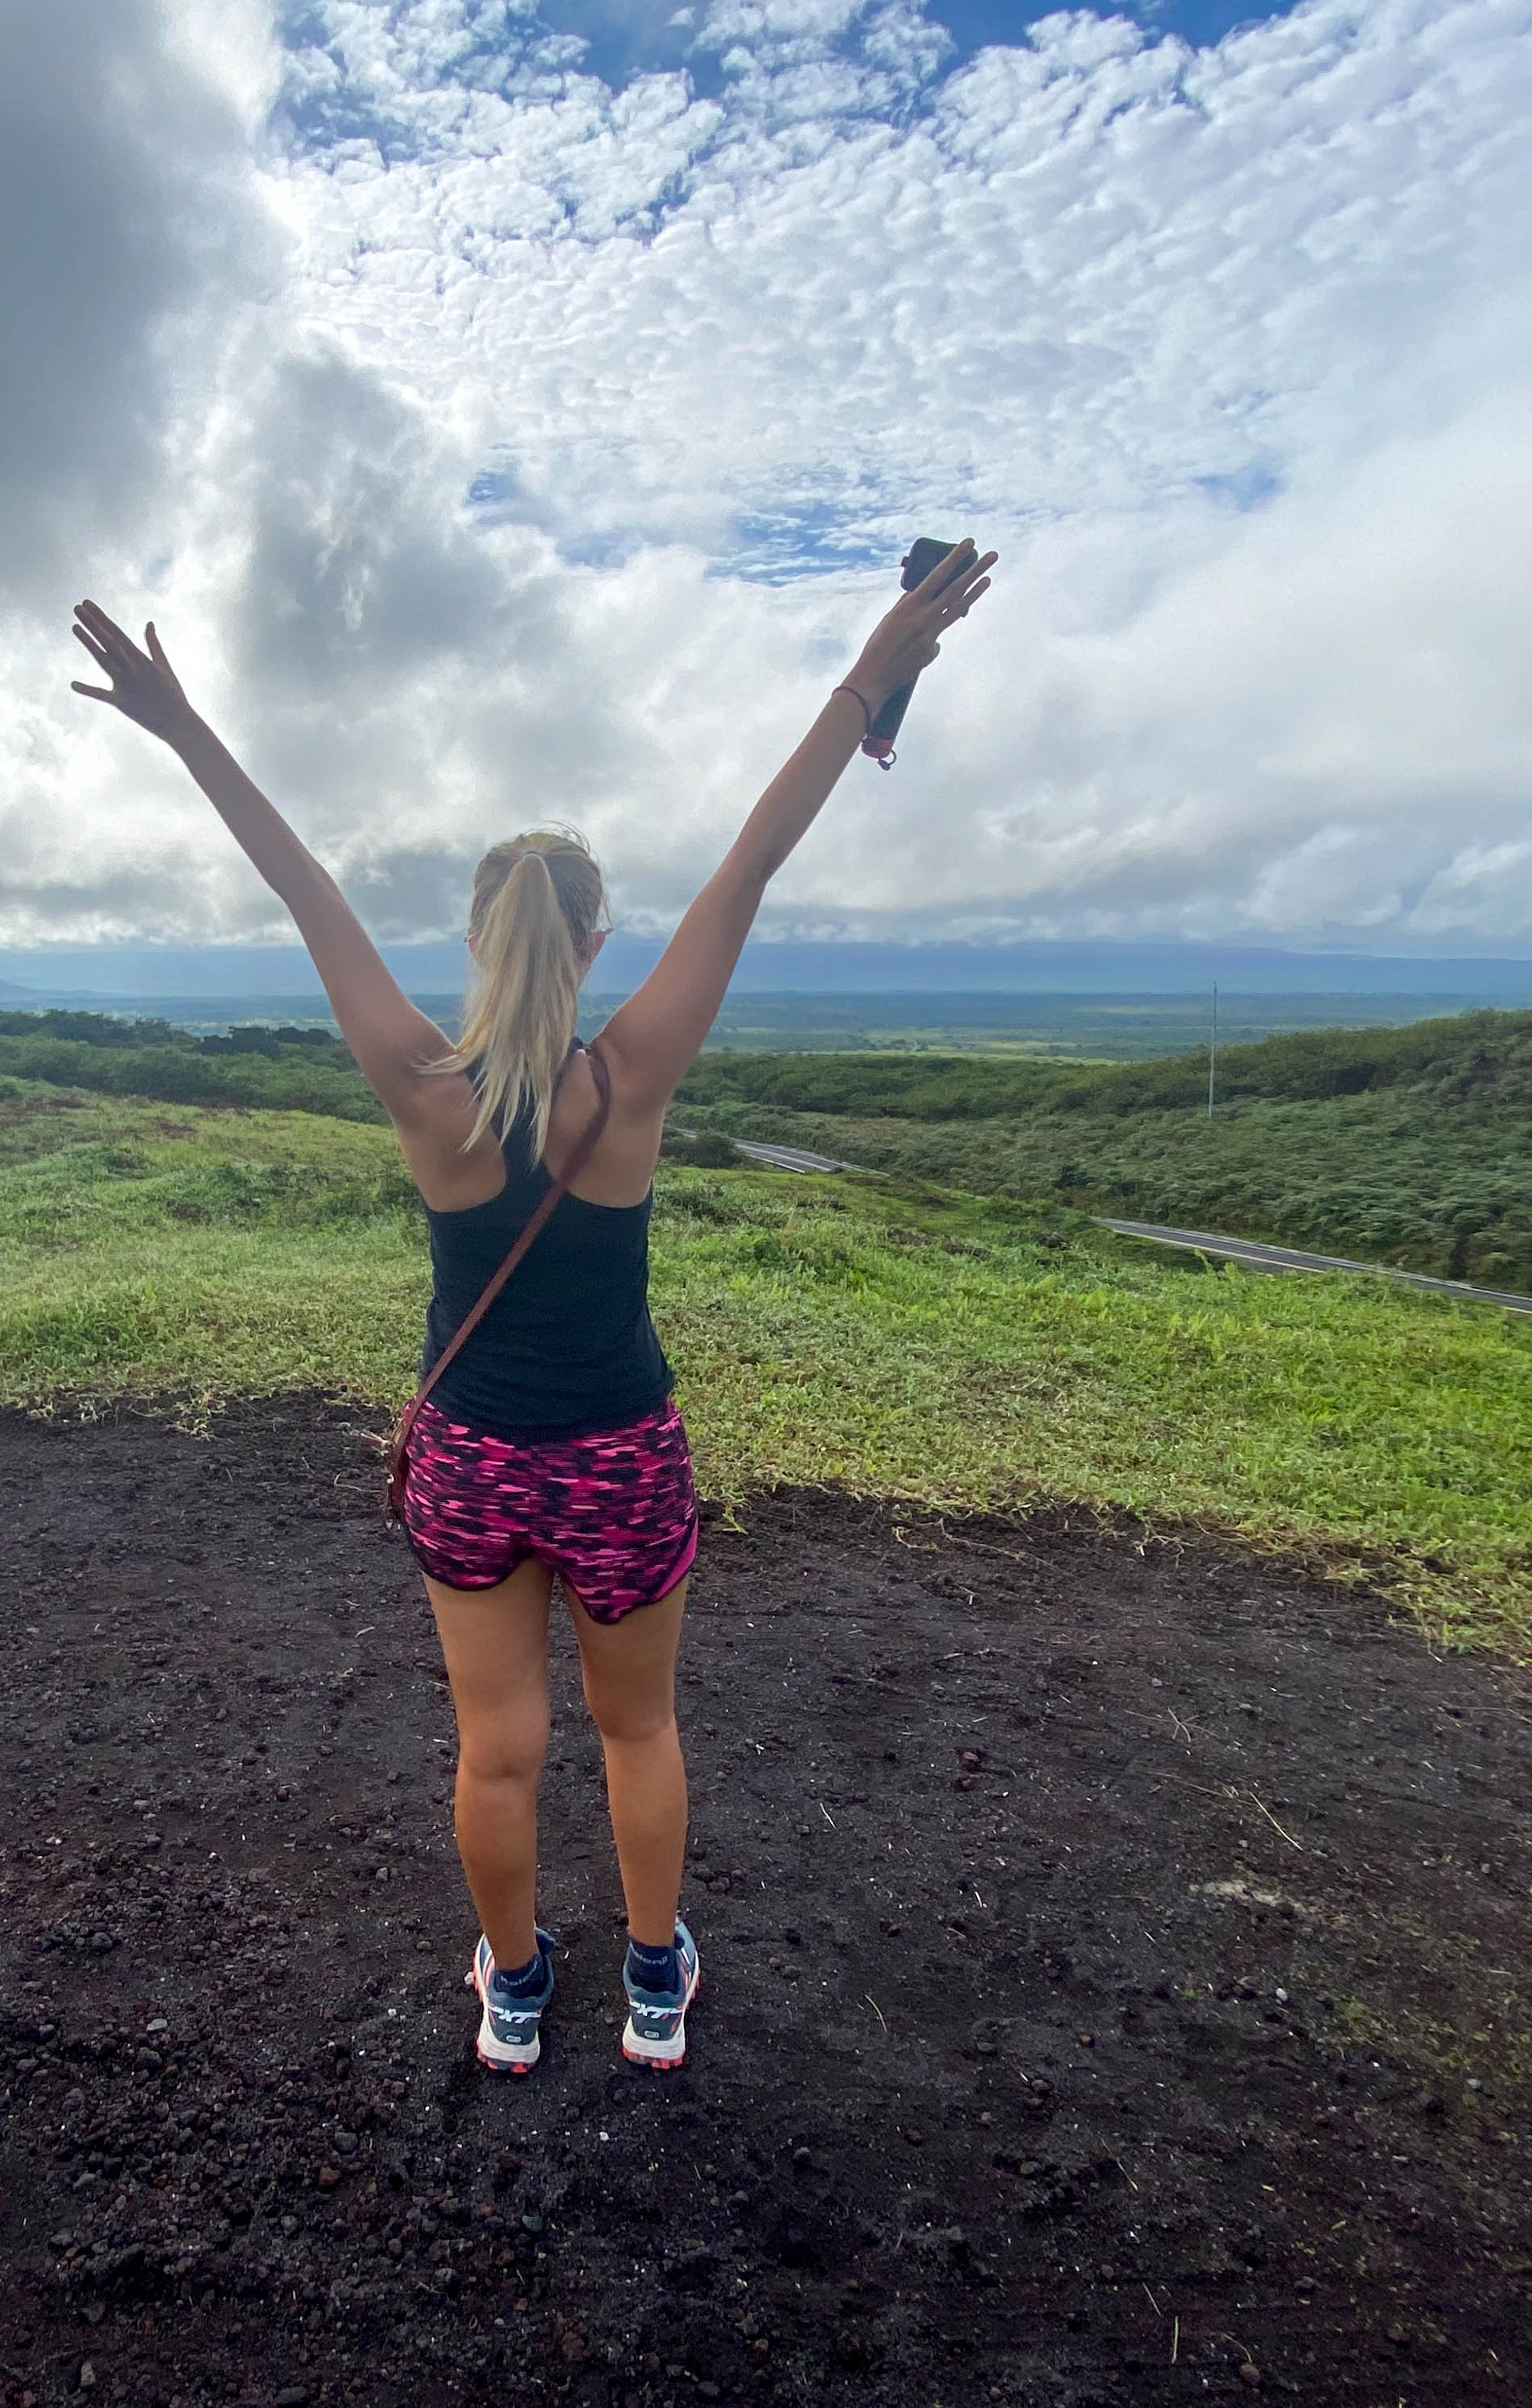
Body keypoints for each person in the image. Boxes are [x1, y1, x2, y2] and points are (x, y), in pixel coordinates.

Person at [68, 539, 998, 2073]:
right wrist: (873, 664)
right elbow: (751, 861)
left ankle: (510, 1992)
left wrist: (184, 731)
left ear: (477, 947)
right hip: (622, 1454)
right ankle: (648, 1987)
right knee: (638, 1730)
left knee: (496, 1748)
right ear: (591, 945)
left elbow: (303, 887)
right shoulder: (622, 1084)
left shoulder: (425, 1093)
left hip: (475, 1461)